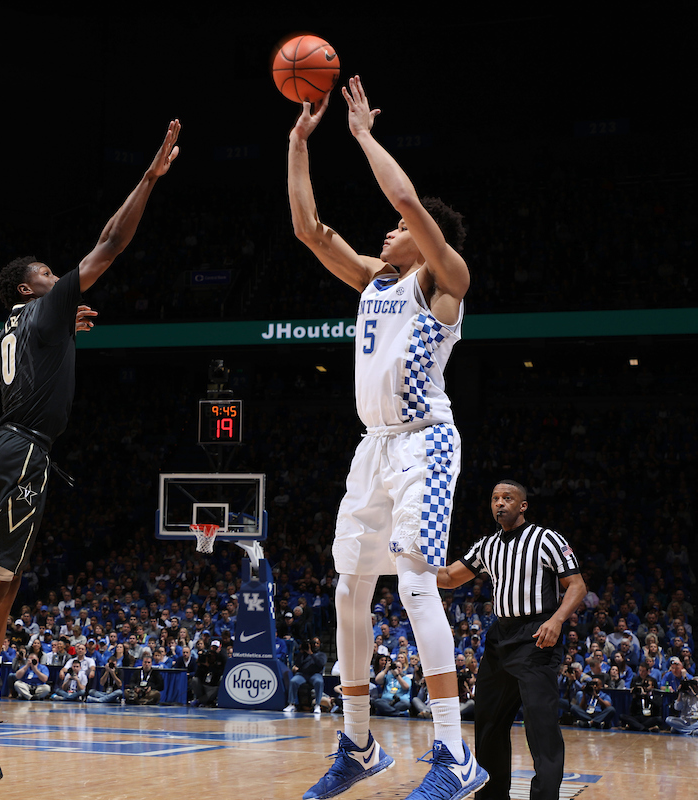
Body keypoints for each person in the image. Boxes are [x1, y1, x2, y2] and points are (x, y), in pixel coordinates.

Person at [0, 119, 181, 782]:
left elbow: (49, 344)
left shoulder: (21, 324)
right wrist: (148, 178)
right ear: (29, 288)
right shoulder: (41, 308)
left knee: (6, 593)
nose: (59, 275)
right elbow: (111, 243)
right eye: (48, 273)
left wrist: (70, 323)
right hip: (21, 452)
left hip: (12, 450)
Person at [289, 77, 482, 800]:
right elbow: (310, 230)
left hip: (426, 444)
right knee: (348, 591)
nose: (387, 231)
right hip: (372, 449)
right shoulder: (376, 282)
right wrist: (297, 145)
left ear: (428, 239)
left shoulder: (446, 283)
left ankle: (453, 754)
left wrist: (364, 134)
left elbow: (407, 202)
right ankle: (360, 744)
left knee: (415, 586)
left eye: (400, 231)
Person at [437, 480, 586, 800]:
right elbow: (449, 578)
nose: (499, 503)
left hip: (537, 635)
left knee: (540, 726)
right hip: (500, 636)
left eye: (507, 498)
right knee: (488, 722)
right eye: (494, 499)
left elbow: (577, 585)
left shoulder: (546, 538)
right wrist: (407, 564)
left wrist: (557, 620)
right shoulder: (486, 545)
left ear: (523, 506)